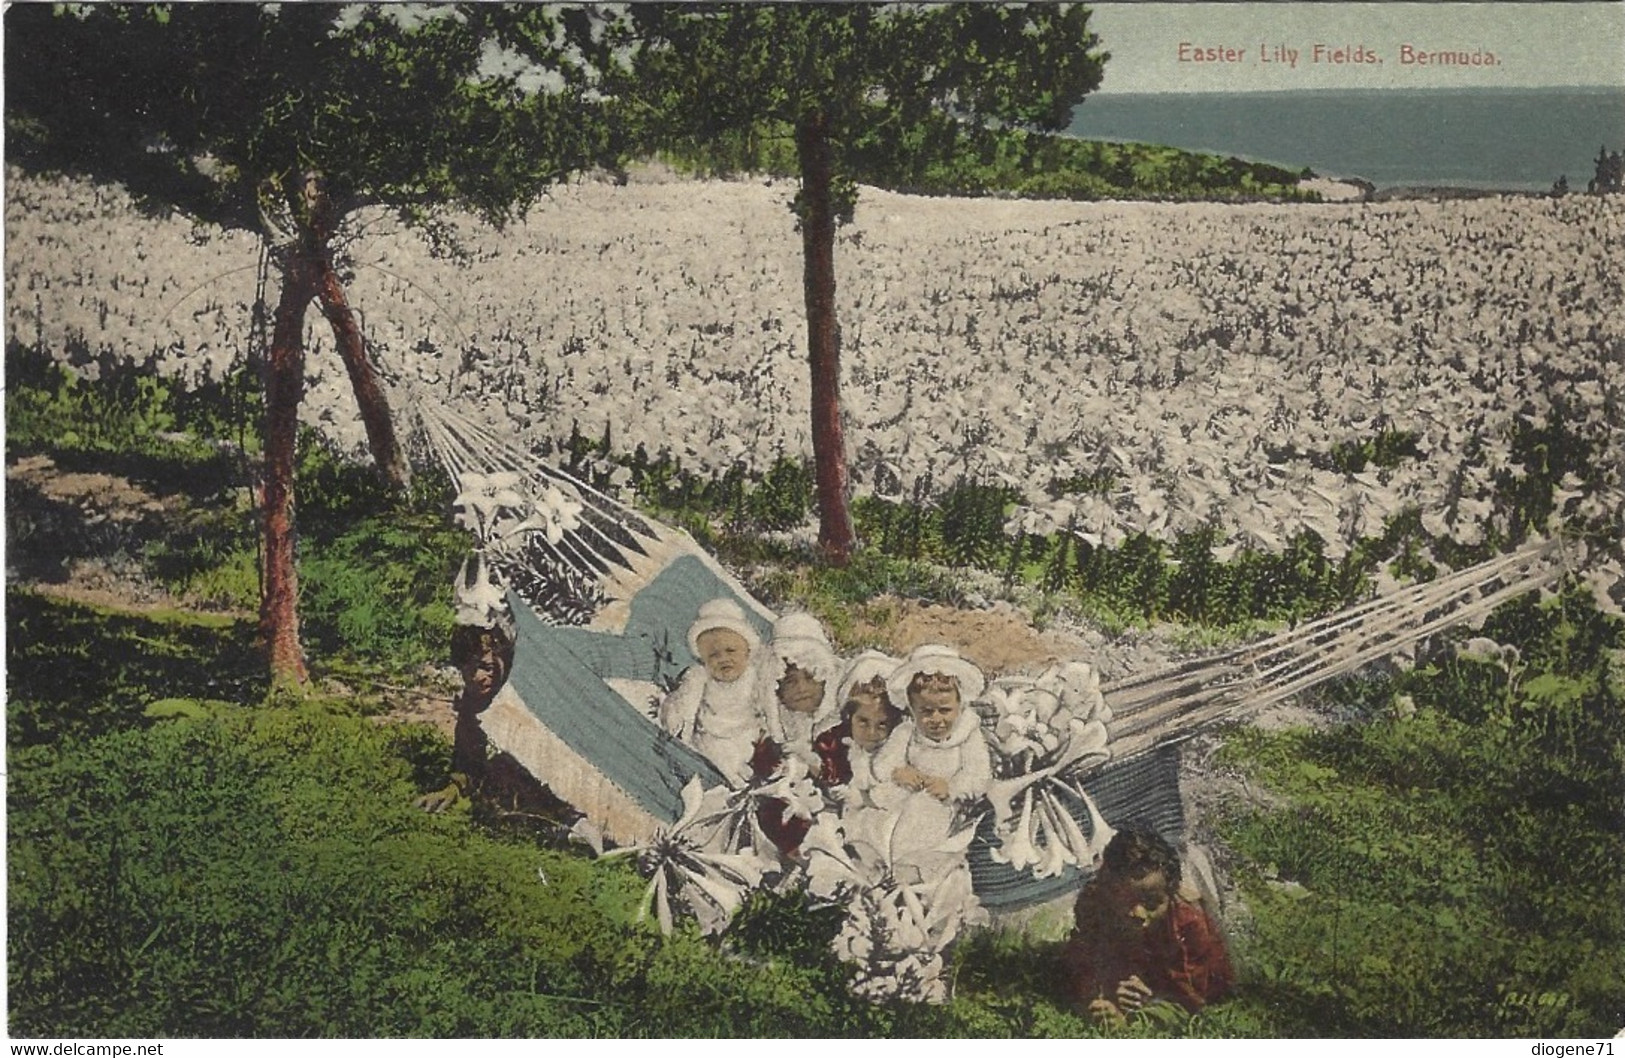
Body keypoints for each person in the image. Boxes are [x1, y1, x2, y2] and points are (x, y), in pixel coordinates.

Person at [1060, 827, 1233, 1027]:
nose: (1138, 913)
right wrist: (1098, 997)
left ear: (1171, 894)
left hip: (1188, 978)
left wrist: (1148, 1009)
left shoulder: (1187, 922)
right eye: (1125, 901)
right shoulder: (1094, 903)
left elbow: (1193, 997)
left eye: (1151, 904)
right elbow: (1084, 961)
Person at [867, 644, 992, 877]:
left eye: (944, 710)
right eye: (926, 711)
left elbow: (979, 773)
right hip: (903, 795)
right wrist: (898, 771)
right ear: (912, 709)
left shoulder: (968, 733)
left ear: (959, 706)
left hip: (944, 803)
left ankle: (910, 868)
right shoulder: (907, 731)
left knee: (922, 813)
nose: (936, 719)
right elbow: (882, 764)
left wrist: (952, 787)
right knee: (877, 817)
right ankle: (884, 866)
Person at [658, 597, 771, 785]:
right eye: (713, 655)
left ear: (747, 652)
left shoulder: (755, 678)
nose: (723, 659)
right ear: (703, 659)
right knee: (709, 756)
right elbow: (683, 707)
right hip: (710, 740)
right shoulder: (700, 677)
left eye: (731, 650)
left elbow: (768, 712)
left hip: (747, 739)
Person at [812, 649, 905, 795]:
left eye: (882, 724)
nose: (871, 733)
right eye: (863, 722)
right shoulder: (834, 745)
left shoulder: (895, 749)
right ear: (849, 717)